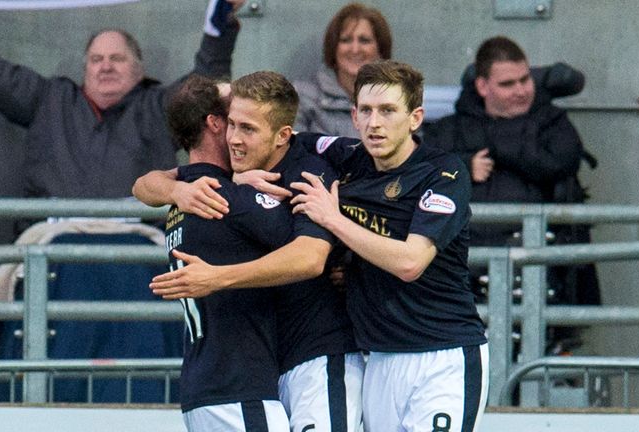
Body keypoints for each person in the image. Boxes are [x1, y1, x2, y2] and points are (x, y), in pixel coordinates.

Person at [137, 72, 363, 432]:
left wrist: (218, 276)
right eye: (233, 124)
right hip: (260, 373)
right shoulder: (216, 191)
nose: (236, 138)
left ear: (281, 135)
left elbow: (311, 257)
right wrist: (178, 190)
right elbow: (146, 183)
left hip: (317, 356)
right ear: (214, 125)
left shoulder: (304, 171)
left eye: (248, 127)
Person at [285, 60, 489, 432]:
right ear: (354, 115)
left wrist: (332, 219)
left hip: (442, 355)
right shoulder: (347, 157)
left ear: (415, 118)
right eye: (366, 110)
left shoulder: (444, 173)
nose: (375, 122)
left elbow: (411, 262)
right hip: (378, 359)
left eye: (388, 111)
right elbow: (281, 142)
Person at [0, 0, 243, 201]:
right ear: (84, 67)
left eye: (117, 58)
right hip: (53, 244)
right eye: (96, 58)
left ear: (139, 69)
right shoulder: (48, 100)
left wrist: (221, 19)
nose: (105, 66)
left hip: (136, 246)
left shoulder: (158, 107)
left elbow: (206, 84)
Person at [427, 36, 600, 350]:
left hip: (538, 274)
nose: (521, 90)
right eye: (508, 84)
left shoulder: (553, 123)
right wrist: (463, 165)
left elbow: (559, 162)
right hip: (463, 277)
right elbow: (419, 168)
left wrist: (498, 146)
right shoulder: (451, 129)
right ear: (482, 86)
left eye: (525, 80)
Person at [156, 74, 292, 430]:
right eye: (234, 117)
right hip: (240, 391)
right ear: (215, 124)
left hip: (203, 387)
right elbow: (311, 248)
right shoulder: (228, 199)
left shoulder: (179, 199)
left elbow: (147, 183)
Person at [293, 2, 392, 137]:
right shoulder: (303, 98)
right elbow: (293, 153)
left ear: (381, 49)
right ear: (333, 47)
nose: (355, 49)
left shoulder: (396, 98)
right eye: (346, 40)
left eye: (364, 40)